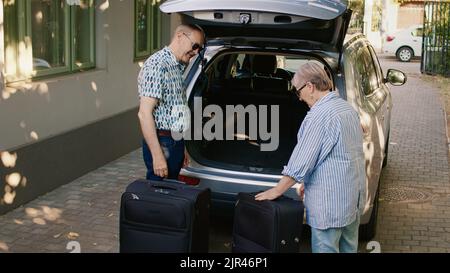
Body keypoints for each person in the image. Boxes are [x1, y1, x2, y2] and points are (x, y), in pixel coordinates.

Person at [255, 62, 366, 253]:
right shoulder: (346, 109)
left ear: (310, 86)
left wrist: (277, 190)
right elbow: (340, 153)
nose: (299, 98)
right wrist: (308, 181)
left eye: (298, 91)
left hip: (329, 203)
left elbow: (302, 160)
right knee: (349, 248)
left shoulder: (320, 115)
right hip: (351, 198)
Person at [137, 24, 205, 180]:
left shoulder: (175, 66)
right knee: (159, 198)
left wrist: (182, 148)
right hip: (163, 143)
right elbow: (144, 114)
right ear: (180, 36)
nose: (196, 52)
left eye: (199, 49)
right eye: (195, 46)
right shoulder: (157, 65)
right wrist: (158, 156)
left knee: (169, 195)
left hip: (174, 141)